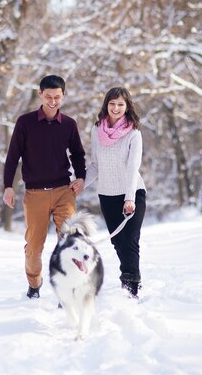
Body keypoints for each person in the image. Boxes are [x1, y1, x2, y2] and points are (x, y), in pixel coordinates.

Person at [3, 75, 86, 299]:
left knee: (70, 241)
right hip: (35, 194)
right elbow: (12, 157)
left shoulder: (69, 124)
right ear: (40, 94)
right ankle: (34, 283)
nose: (52, 101)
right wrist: (8, 186)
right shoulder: (25, 122)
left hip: (63, 192)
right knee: (33, 249)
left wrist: (81, 178)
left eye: (57, 97)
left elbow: (78, 154)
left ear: (63, 96)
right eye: (48, 96)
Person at [85, 87, 146, 298]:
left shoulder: (133, 133)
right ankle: (130, 277)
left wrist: (130, 198)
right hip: (107, 195)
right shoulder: (96, 131)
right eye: (112, 103)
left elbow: (132, 167)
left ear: (127, 107)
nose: (116, 108)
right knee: (118, 242)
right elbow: (95, 165)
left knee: (130, 240)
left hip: (132, 193)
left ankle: (131, 286)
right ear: (106, 105)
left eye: (121, 104)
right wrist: (76, 186)